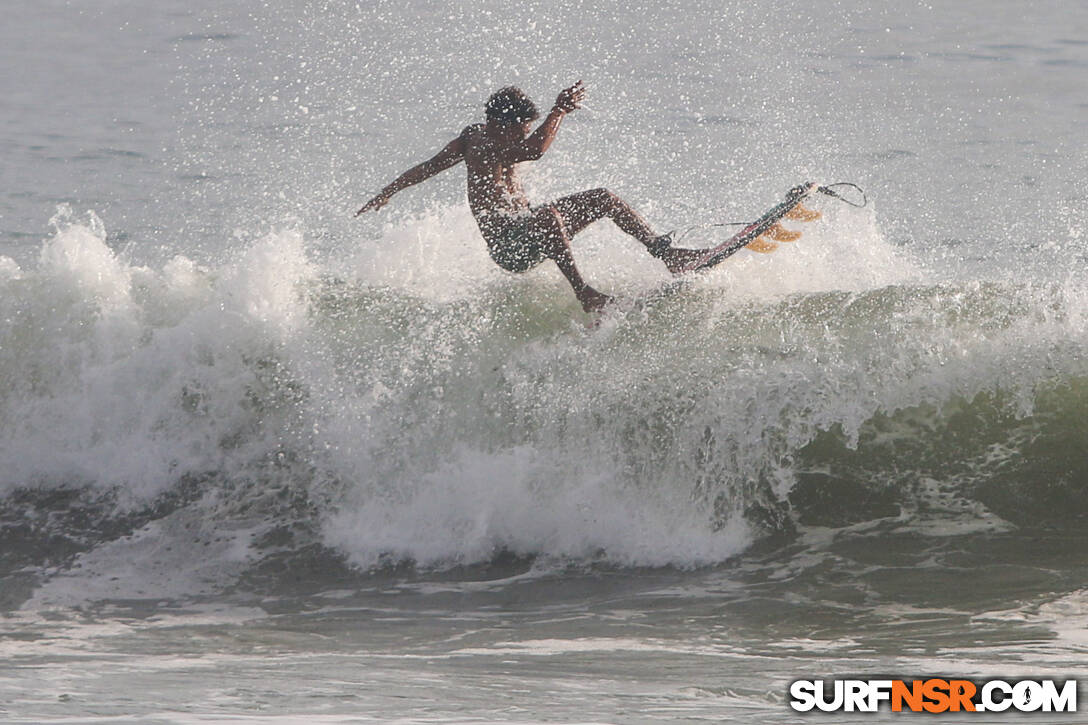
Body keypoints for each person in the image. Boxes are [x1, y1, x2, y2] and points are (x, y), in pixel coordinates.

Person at [356, 81, 703, 312]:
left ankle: (667, 254)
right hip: (509, 248)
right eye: (518, 132)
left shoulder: (493, 139)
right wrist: (560, 111)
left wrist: (387, 192)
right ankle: (586, 294)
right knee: (548, 216)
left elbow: (525, 148)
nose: (519, 140)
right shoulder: (479, 142)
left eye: (523, 132)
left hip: (530, 230)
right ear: (498, 125)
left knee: (603, 198)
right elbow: (432, 166)